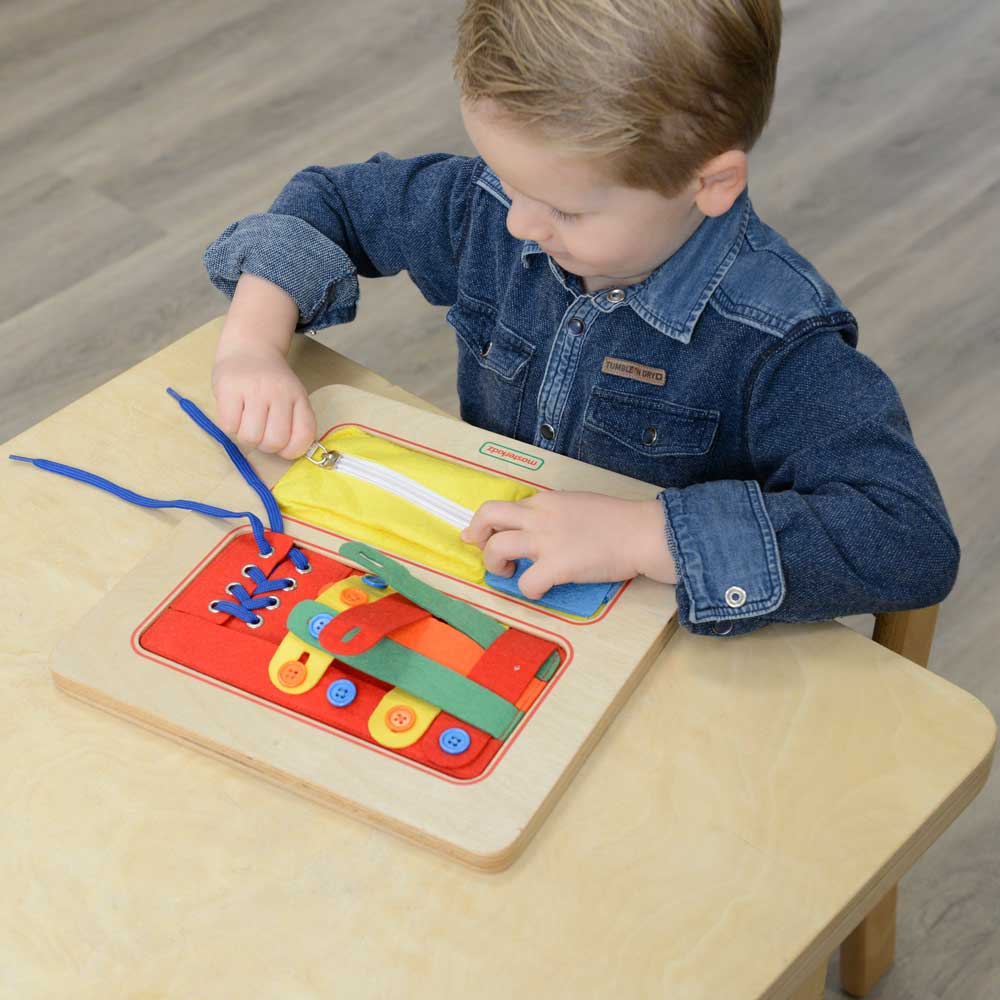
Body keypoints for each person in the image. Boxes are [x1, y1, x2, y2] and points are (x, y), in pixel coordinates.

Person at [203, 0, 959, 636]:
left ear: (711, 182)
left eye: (564, 207)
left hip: (656, 653)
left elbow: (908, 538)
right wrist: (252, 344)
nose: (520, 223)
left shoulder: (777, 341)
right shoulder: (496, 206)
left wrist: (643, 534)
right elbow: (330, 204)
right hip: (493, 601)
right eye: (505, 177)